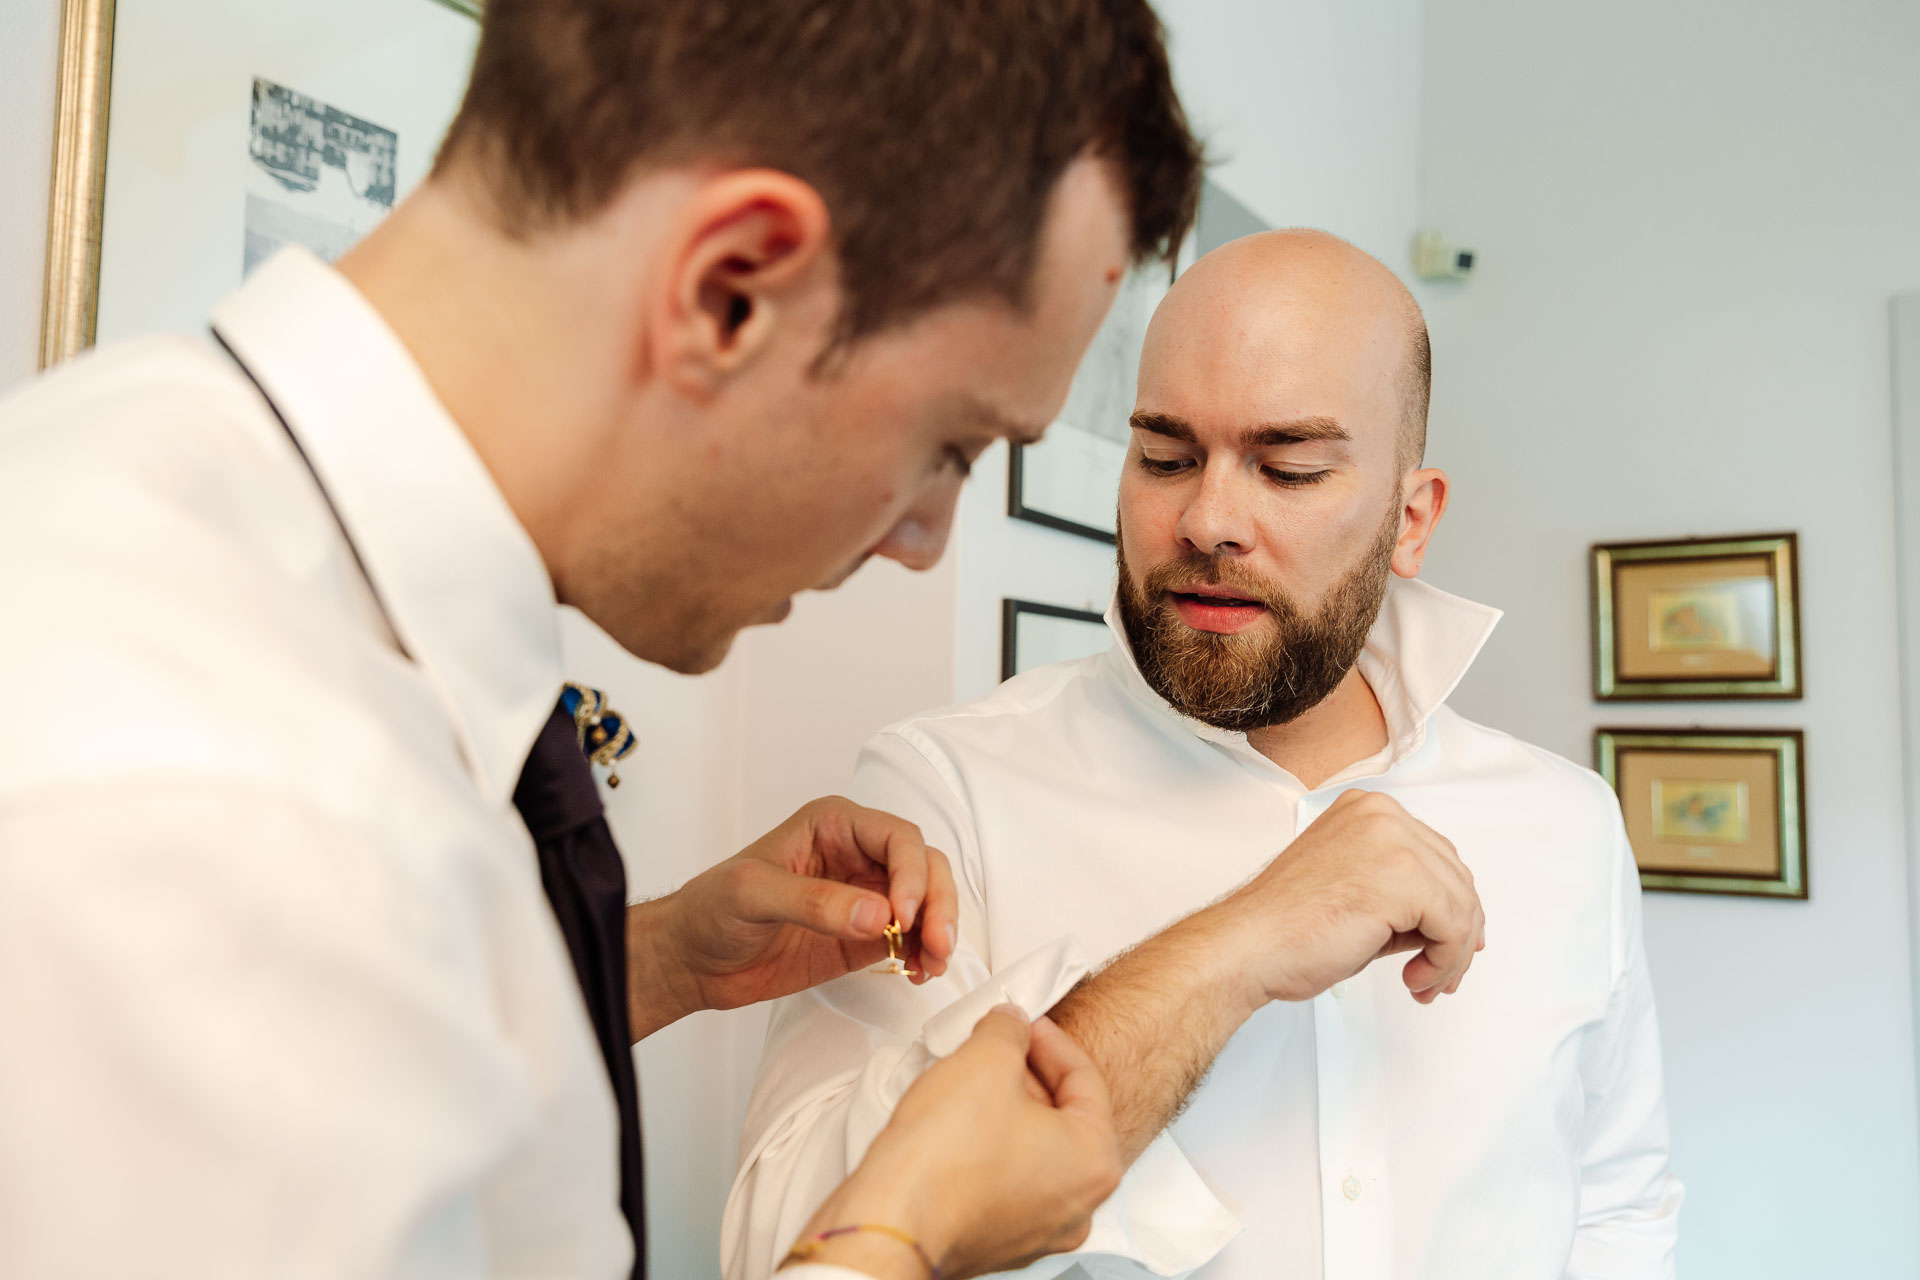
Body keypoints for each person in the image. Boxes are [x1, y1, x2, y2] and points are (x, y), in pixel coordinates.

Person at [0, 3, 1208, 1277]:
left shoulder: (163, 493)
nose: (924, 541)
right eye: (951, 446)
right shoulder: (208, 802)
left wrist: (654, 956)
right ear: (731, 289)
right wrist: (898, 1233)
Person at [724, 231, 1682, 1279]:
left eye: (1289, 468)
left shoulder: (1566, 823)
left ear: (1411, 521)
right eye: (1166, 458)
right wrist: (1233, 944)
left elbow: (1618, 1201)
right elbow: (780, 1250)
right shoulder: (941, 795)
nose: (1208, 519)